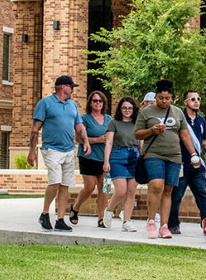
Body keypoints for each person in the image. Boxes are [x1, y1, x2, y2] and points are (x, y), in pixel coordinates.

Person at [134, 80, 201, 239]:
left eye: (167, 98)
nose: (164, 101)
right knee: (157, 185)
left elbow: (184, 134)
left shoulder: (177, 113)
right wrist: (151, 130)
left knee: (169, 189)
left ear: (172, 98)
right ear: (156, 96)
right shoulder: (146, 112)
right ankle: (151, 221)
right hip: (153, 154)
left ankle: (164, 226)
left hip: (174, 155)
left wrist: (193, 154)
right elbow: (137, 133)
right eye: (161, 98)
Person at [29, 75, 91, 232]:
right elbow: (35, 129)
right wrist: (32, 152)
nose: (72, 90)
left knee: (65, 185)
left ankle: (60, 219)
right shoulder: (45, 103)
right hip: (51, 149)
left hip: (69, 150)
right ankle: (44, 214)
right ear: (63, 87)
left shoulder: (72, 105)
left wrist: (86, 142)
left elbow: (79, 126)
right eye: (71, 87)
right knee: (55, 181)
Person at [168, 90, 206, 235]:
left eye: (198, 99)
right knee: (176, 195)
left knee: (201, 193)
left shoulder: (201, 120)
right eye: (193, 99)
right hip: (182, 163)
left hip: (198, 164)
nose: (196, 101)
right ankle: (173, 224)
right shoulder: (179, 118)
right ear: (185, 102)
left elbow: (204, 140)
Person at [71, 91, 112, 228]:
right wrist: (97, 140)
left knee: (104, 189)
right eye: (95, 101)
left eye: (100, 101)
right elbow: (78, 139)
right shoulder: (84, 119)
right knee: (89, 187)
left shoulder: (108, 119)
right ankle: (75, 208)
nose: (98, 103)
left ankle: (101, 218)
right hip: (88, 156)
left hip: (105, 159)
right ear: (90, 103)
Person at [103, 97, 141, 231]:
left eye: (130, 108)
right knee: (121, 190)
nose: (127, 110)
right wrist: (106, 161)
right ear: (120, 109)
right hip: (117, 156)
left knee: (131, 191)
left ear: (134, 109)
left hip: (134, 156)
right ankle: (109, 210)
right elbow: (108, 142)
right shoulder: (114, 123)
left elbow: (141, 142)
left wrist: (143, 159)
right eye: (124, 108)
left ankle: (126, 221)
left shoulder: (137, 123)